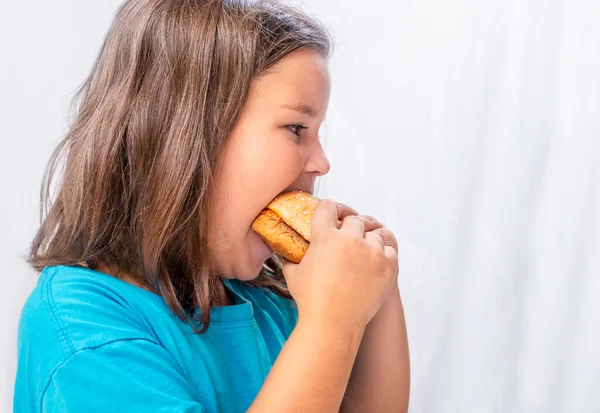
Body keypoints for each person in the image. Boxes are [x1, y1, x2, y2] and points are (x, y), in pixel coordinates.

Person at [14, 0, 410, 411]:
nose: (321, 162)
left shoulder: (271, 302)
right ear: (187, 137)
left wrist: (378, 293)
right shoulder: (87, 331)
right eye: (296, 129)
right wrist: (332, 321)